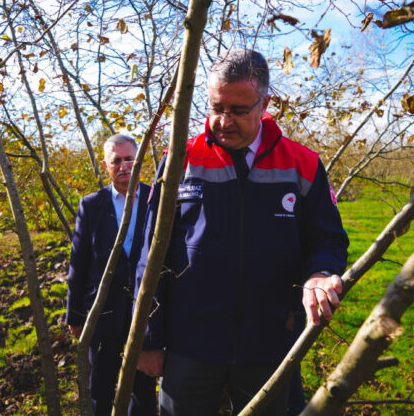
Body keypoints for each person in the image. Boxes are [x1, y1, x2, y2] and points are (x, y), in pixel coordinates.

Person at [136, 49, 349, 415]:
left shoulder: (302, 164)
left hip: (270, 343)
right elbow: (150, 254)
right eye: (217, 108)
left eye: (239, 110)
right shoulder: (180, 161)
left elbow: (327, 238)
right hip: (190, 344)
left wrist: (321, 273)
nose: (224, 121)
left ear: (265, 103)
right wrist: (148, 337)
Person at [66, 134, 157, 415]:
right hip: (103, 312)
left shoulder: (157, 199)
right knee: (101, 387)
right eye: (116, 160)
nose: (123, 166)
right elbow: (78, 262)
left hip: (147, 313)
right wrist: (75, 316)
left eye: (129, 158)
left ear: (139, 161)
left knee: (143, 389)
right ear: (106, 166)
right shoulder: (92, 205)